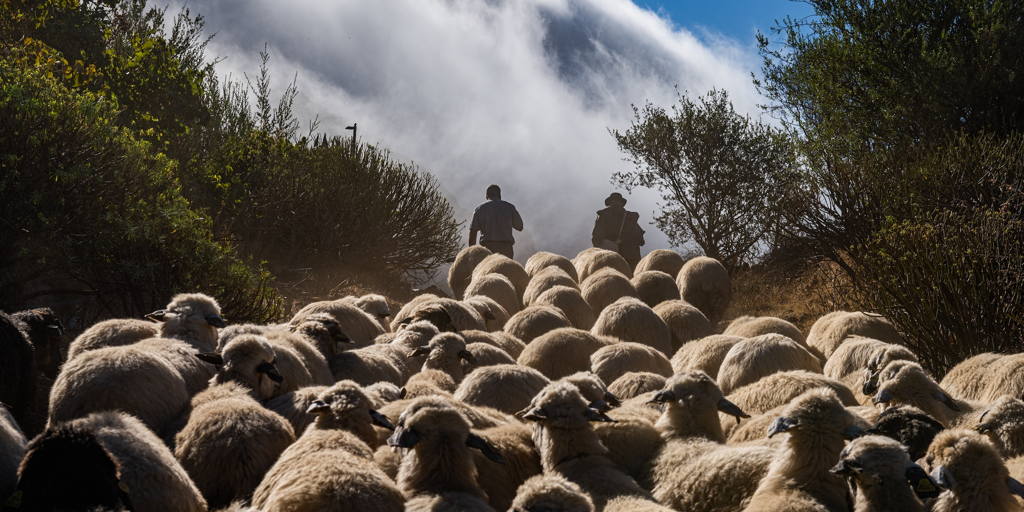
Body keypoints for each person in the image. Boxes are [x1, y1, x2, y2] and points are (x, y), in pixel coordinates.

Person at [592, 192, 645, 270]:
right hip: (632, 258)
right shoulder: (631, 217)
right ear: (622, 203)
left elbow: (597, 236)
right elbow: (641, 242)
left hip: (612, 257)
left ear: (610, 202)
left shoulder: (604, 214)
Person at [469, 184, 524, 259]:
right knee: (506, 270)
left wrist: (472, 253)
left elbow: (473, 232)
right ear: (499, 195)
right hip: (506, 248)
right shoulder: (510, 207)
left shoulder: (480, 209)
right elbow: (520, 227)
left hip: (488, 248)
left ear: (486, 197)